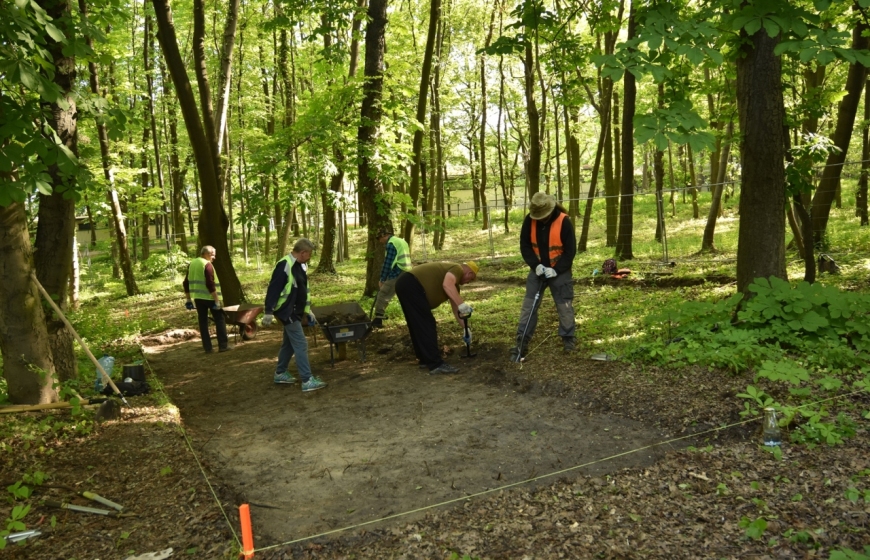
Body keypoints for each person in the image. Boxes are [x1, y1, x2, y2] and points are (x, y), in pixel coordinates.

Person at [509, 192, 576, 361]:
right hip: (537, 270)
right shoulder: (529, 221)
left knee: (564, 305)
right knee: (529, 306)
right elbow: (525, 246)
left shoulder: (564, 222)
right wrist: (536, 265)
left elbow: (570, 251)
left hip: (559, 270)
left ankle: (568, 340)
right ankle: (521, 342)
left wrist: (557, 269)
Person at [262, 238, 327, 392]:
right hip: (287, 311)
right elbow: (274, 289)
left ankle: (280, 372)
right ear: (302, 252)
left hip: (296, 310)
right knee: (301, 344)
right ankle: (307, 380)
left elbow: (303, 289)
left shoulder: (301, 265)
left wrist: (307, 310)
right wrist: (268, 311)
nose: (310, 257)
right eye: (309, 254)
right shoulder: (284, 265)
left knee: (289, 343)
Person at [395, 261, 478, 374]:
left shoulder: (454, 288)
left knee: (417, 324)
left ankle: (424, 359)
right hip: (412, 284)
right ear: (469, 273)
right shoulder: (457, 268)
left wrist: (465, 328)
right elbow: (447, 284)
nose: (468, 282)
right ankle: (435, 364)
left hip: (405, 284)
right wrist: (462, 304)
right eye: (471, 279)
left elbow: (456, 310)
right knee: (427, 324)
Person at [183, 245, 233, 354]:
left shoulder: (192, 264)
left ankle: (208, 348)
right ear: (207, 254)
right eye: (213, 255)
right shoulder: (207, 264)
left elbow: (185, 282)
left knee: (203, 322)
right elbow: (210, 283)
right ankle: (223, 346)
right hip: (210, 298)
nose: (214, 257)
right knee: (220, 319)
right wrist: (216, 300)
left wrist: (188, 299)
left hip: (198, 298)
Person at [372, 227, 413, 328]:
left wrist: (382, 279)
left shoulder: (391, 244)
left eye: (379, 238)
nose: (380, 241)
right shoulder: (401, 241)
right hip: (407, 270)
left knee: (383, 294)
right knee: (407, 296)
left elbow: (388, 263)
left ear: (383, 236)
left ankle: (378, 320)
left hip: (398, 271)